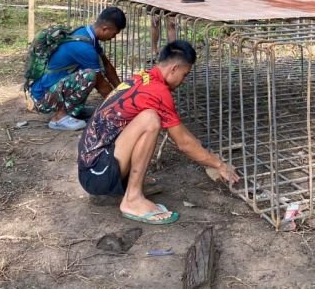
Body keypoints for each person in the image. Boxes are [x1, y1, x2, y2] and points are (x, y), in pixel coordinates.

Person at [77, 40, 239, 224]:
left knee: (148, 118)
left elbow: (183, 133)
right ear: (174, 69)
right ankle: (132, 199)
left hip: (92, 167)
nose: (183, 80)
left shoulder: (142, 77)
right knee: (150, 119)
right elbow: (184, 143)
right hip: (98, 174)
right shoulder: (158, 92)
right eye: (184, 75)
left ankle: (129, 186)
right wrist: (219, 164)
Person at [30, 7, 126, 131]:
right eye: (114, 33)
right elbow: (101, 84)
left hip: (51, 89)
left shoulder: (85, 33)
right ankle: (59, 118)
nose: (113, 37)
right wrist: (121, 106)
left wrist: (122, 91)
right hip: (43, 98)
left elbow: (107, 65)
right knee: (90, 76)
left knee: (89, 74)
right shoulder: (84, 48)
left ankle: (72, 110)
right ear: (105, 29)